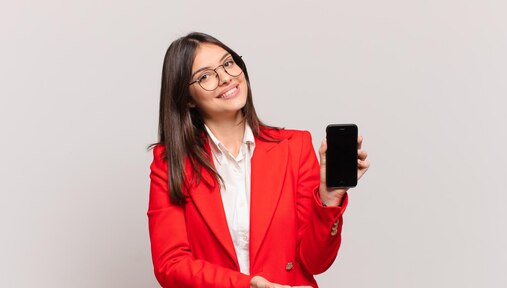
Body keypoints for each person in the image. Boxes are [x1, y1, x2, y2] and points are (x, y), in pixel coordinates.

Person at [148, 32, 370, 288]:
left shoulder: (294, 148)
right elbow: (170, 264)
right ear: (187, 99)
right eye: (205, 76)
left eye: (228, 63)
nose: (226, 78)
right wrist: (247, 285)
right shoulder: (170, 162)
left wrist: (329, 199)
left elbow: (315, 262)